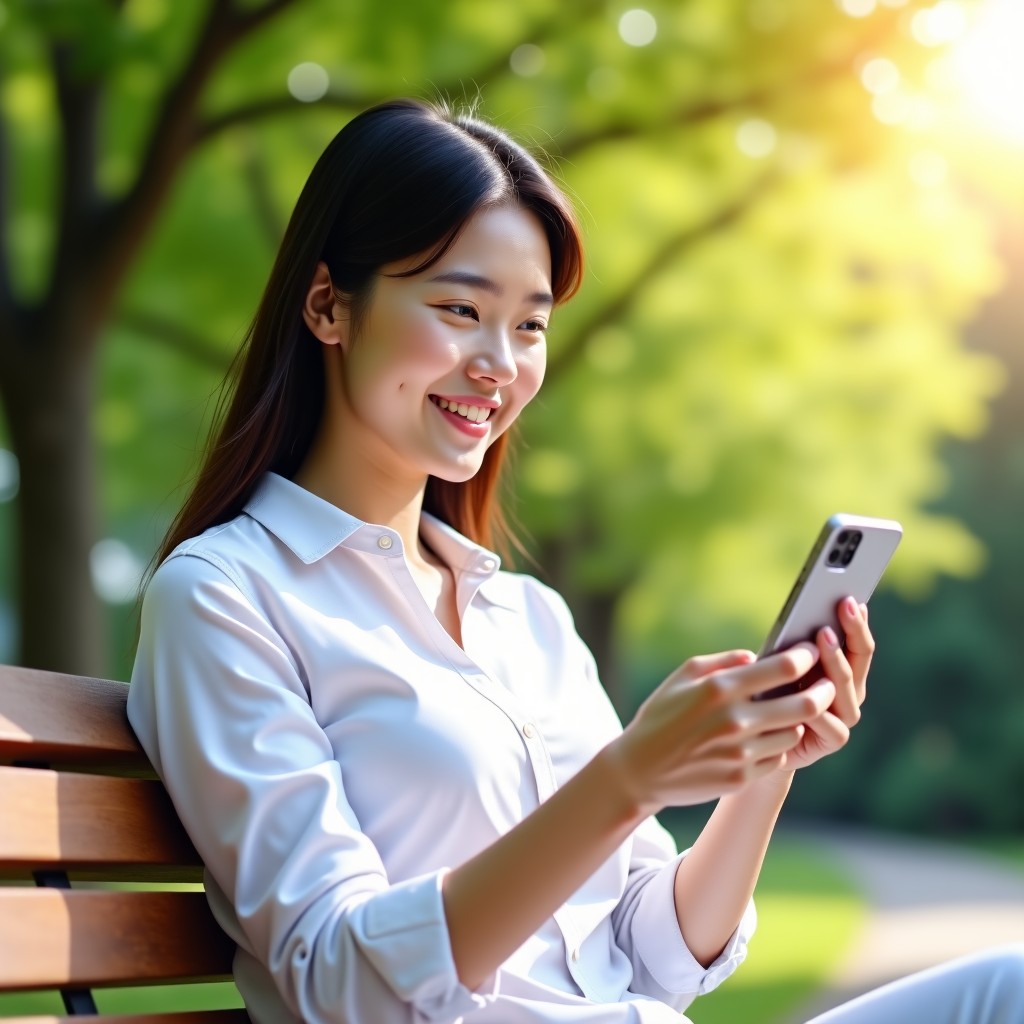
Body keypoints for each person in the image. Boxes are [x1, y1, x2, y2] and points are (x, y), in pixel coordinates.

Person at [128, 98, 1024, 1024]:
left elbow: (653, 955)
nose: (499, 364)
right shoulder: (226, 598)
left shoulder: (527, 619)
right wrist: (626, 779)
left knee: (1012, 984)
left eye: (529, 326)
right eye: (460, 309)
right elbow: (339, 981)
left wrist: (767, 764)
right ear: (328, 305)